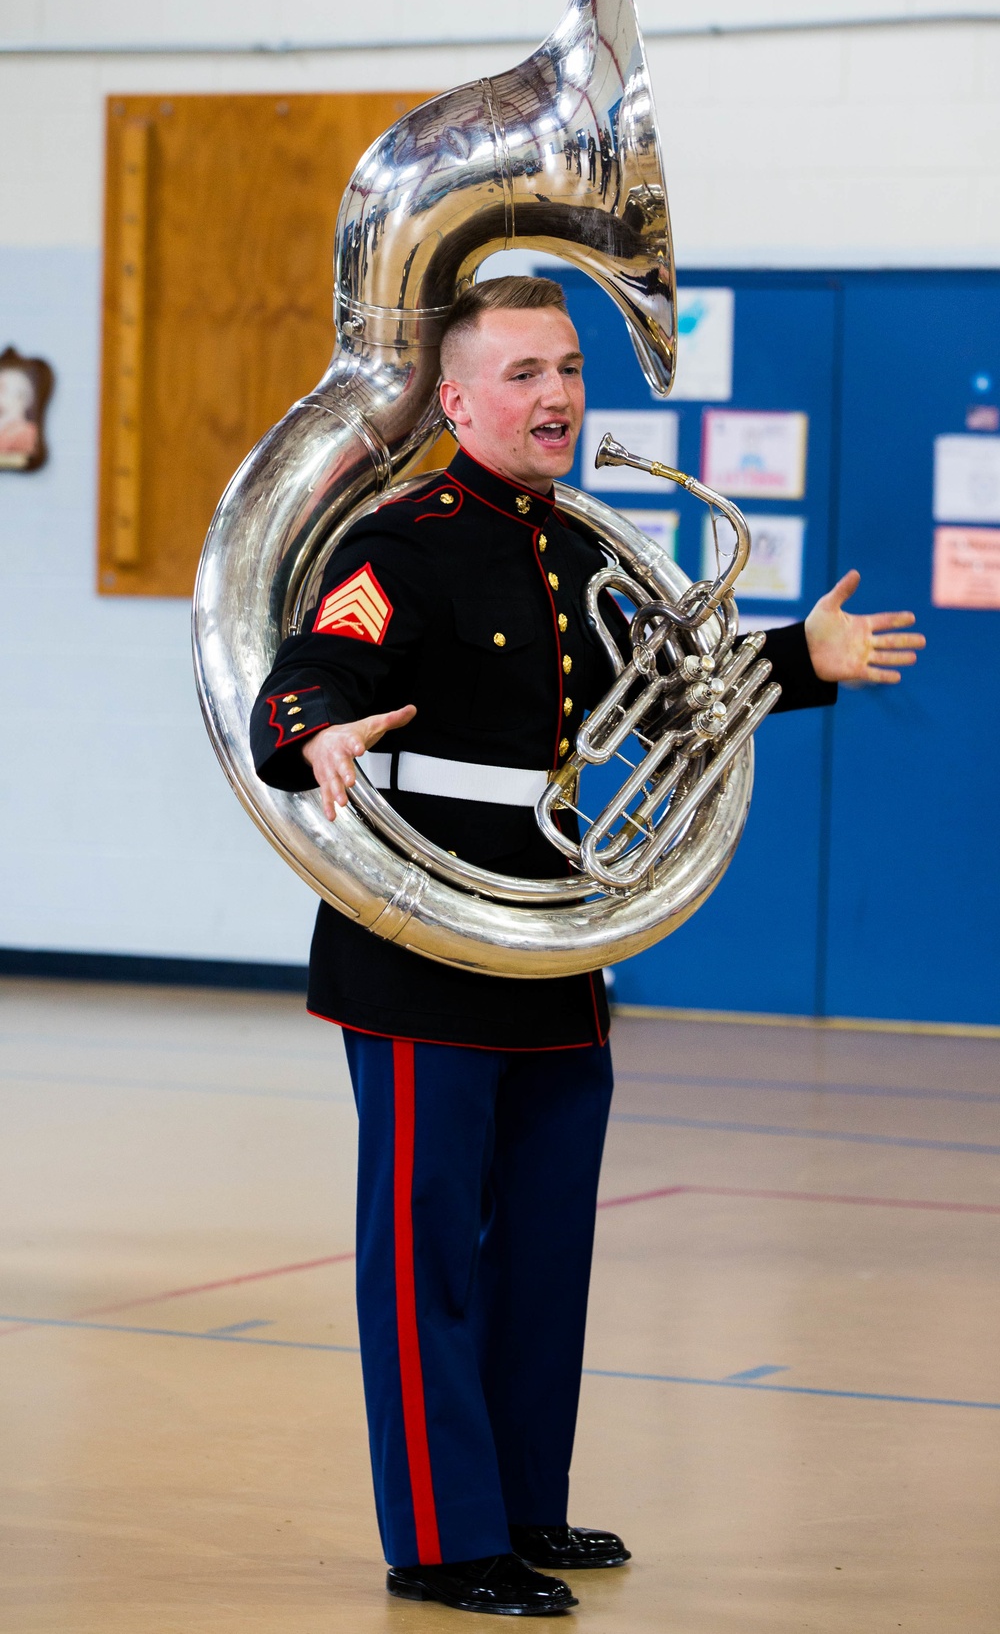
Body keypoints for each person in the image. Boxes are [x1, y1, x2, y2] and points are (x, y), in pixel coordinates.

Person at [250, 276, 924, 1617]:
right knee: (429, 1247)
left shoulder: (582, 546)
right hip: (424, 952)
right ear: (454, 399)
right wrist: (314, 728)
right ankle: (443, 1539)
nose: (555, 396)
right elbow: (307, 672)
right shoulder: (408, 541)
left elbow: (673, 698)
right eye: (520, 374)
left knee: (546, 1246)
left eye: (566, 367)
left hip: (558, 947)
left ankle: (523, 1504)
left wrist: (800, 658)